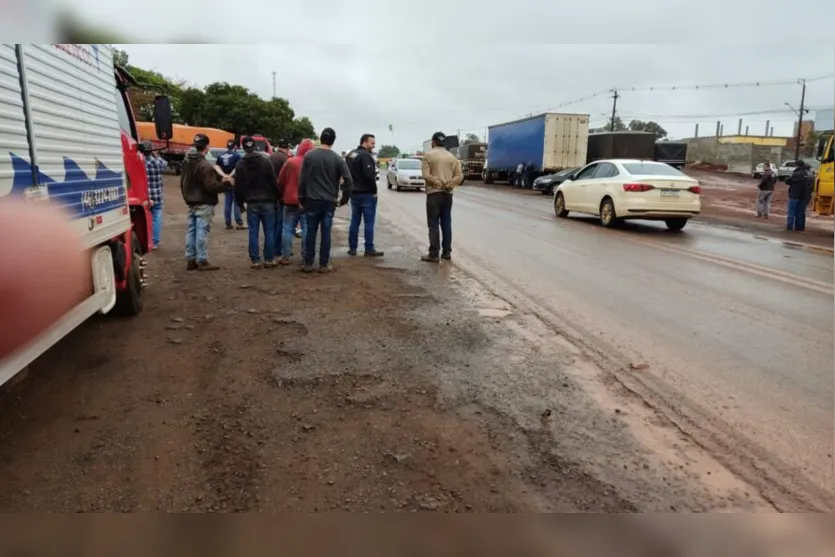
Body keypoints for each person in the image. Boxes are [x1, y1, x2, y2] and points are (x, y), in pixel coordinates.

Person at [298, 127, 353, 273]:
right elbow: (348, 180)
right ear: (333, 141)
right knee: (326, 232)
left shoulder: (309, 155)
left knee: (310, 232)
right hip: (329, 202)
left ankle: (308, 263)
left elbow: (302, 179)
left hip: (311, 200)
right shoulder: (336, 158)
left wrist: (301, 198)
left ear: (321, 139)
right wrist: (343, 199)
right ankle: (324, 264)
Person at [181, 133, 228, 271]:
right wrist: (226, 184)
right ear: (207, 146)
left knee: (191, 230)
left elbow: (183, 182)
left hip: (191, 201)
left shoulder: (187, 162)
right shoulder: (205, 165)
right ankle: (202, 260)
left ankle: (190, 259)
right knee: (202, 230)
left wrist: (186, 196)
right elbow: (211, 187)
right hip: (204, 201)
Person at [235, 136, 279, 268]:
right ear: (255, 146)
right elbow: (273, 181)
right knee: (269, 231)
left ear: (243, 148)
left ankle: (255, 260)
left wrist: (239, 203)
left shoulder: (240, 164)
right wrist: (277, 197)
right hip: (268, 202)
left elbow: (238, 186)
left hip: (252, 203)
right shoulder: (265, 162)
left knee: (253, 232)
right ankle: (269, 259)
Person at [420, 131, 463, 262]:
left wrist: (437, 183)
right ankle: (446, 252)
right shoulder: (452, 157)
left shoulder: (428, 155)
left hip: (434, 193)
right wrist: (449, 184)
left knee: (433, 223)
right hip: (448, 194)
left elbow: (426, 175)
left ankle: (434, 254)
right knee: (446, 222)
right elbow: (459, 176)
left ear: (433, 142)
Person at [277, 138, 315, 265]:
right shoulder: (312, 163)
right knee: (306, 230)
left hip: (290, 200)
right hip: (307, 201)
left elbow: (280, 180)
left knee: (287, 228)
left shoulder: (290, 161)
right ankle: (305, 257)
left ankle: (286, 256)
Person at [346, 134, 384, 257]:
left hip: (354, 194)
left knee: (355, 221)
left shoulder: (351, 155)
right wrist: (374, 191)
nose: (373, 146)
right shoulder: (365, 156)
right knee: (369, 222)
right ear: (364, 142)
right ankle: (369, 248)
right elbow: (369, 176)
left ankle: (352, 248)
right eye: (372, 143)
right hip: (366, 194)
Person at [143, 141, 168, 250]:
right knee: (156, 218)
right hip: (157, 195)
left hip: (144, 195)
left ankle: (145, 240)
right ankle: (154, 242)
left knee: (145, 218)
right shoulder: (157, 162)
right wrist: (156, 155)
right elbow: (165, 164)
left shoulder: (139, 161)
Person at [216, 140, 244, 230]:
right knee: (236, 202)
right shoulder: (237, 156)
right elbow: (237, 167)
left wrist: (225, 176)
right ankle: (239, 222)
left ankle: (228, 223)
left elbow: (217, 166)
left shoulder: (220, 156)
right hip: (234, 181)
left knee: (227, 202)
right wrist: (230, 176)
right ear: (235, 147)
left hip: (225, 181)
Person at [270, 140, 291, 255]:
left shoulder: (270, 157)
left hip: (270, 195)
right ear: (287, 148)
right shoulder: (286, 159)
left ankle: (270, 247)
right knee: (280, 223)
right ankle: (277, 249)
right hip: (281, 196)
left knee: (271, 223)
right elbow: (285, 180)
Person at [785, 161, 814, 232]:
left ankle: (789, 227)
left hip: (794, 195)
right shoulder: (810, 175)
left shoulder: (796, 173)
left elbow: (788, 181)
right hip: (804, 197)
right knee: (800, 213)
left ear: (797, 165)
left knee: (791, 212)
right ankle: (800, 228)